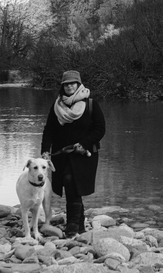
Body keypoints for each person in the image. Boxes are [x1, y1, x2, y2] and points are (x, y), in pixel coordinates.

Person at [40, 70, 105, 236]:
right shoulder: (57, 107)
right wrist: (45, 151)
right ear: (63, 86)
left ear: (78, 85)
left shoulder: (91, 104)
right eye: (66, 84)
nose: (69, 86)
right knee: (72, 186)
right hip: (61, 154)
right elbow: (49, 131)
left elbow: (100, 129)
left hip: (85, 154)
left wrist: (83, 143)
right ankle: (80, 226)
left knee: (71, 182)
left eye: (72, 83)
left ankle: (72, 226)